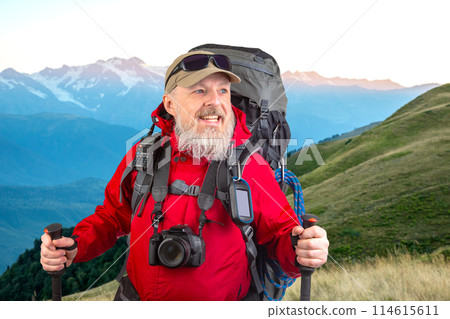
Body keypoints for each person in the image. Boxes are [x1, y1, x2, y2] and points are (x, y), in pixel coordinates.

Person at [40, 50, 329, 300]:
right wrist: (75, 246)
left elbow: (281, 235)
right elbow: (113, 217)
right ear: (170, 105)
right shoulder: (144, 157)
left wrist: (302, 249)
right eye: (199, 91)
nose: (215, 102)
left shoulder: (249, 166)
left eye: (223, 91)